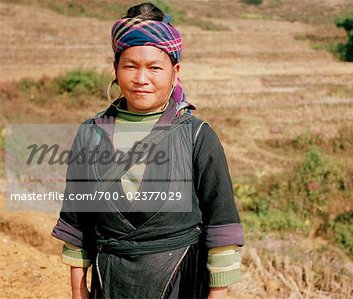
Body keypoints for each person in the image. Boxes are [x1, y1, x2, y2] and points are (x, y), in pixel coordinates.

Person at [51, 3, 245, 299]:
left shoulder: (197, 136)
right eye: (130, 66)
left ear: (175, 71)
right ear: (115, 69)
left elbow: (221, 227)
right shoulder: (90, 134)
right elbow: (78, 224)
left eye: (155, 67)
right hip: (111, 280)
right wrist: (79, 293)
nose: (142, 78)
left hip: (180, 278)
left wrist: (216, 294)